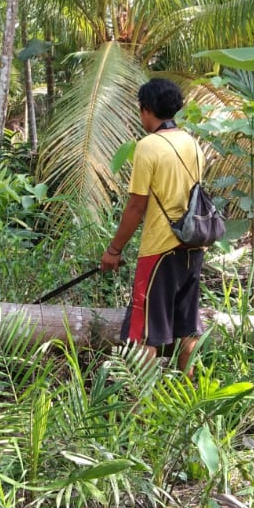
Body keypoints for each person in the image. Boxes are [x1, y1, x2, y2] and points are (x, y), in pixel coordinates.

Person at [99, 78, 205, 376]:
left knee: (144, 332)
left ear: (146, 109)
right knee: (188, 328)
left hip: (159, 249)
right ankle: (189, 396)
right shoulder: (192, 143)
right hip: (193, 246)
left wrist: (114, 249)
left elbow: (136, 206)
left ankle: (140, 410)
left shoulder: (148, 147)